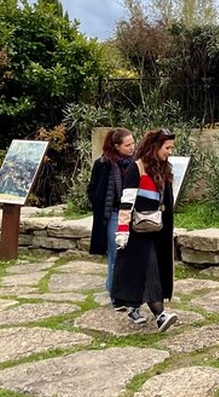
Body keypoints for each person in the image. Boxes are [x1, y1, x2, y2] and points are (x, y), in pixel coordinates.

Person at [111, 128, 178, 332]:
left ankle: (134, 306)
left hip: (158, 231)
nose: (169, 152)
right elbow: (126, 202)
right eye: (167, 148)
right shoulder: (136, 168)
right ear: (155, 147)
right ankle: (160, 315)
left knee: (146, 271)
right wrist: (122, 231)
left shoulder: (165, 169)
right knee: (149, 270)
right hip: (139, 231)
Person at [86, 128, 135, 311]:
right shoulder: (103, 164)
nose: (131, 148)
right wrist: (100, 204)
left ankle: (117, 286)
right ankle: (117, 296)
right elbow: (92, 188)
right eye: (127, 145)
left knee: (129, 253)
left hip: (131, 212)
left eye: (132, 143)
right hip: (113, 213)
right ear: (117, 146)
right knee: (116, 253)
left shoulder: (136, 164)